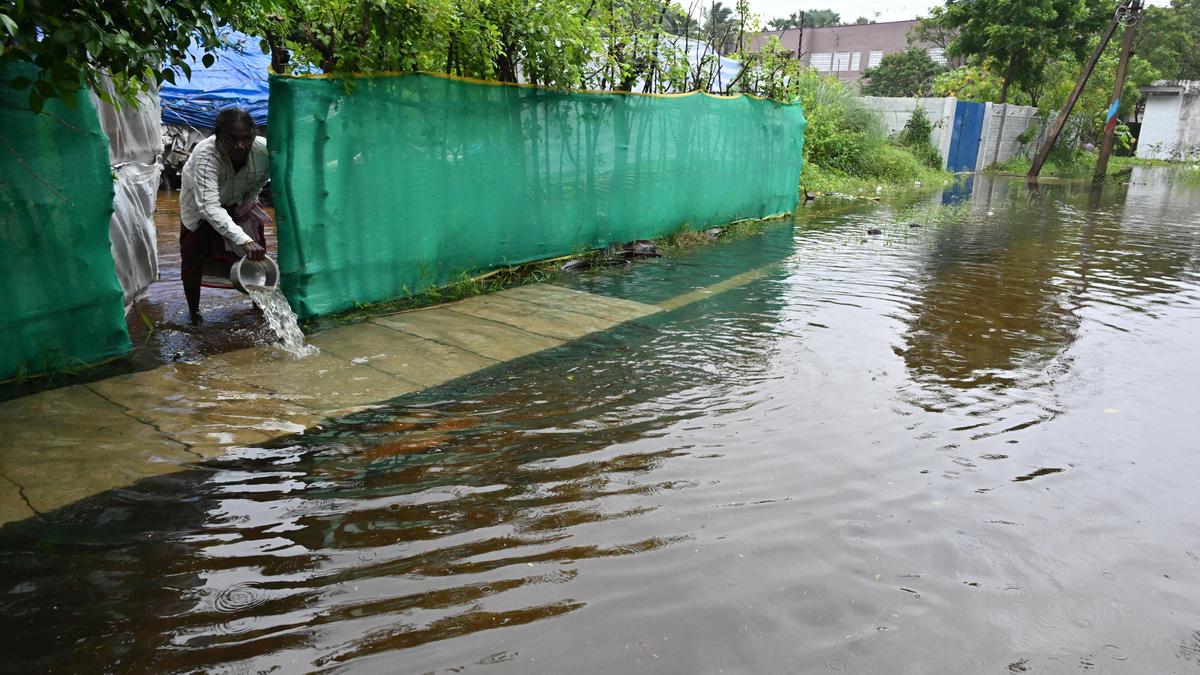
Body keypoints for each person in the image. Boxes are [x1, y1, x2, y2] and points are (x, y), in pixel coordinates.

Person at [178, 108, 271, 325]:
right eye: (232, 139)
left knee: (259, 260)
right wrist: (244, 240)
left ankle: (260, 309)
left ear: (254, 136)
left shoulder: (265, 152)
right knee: (192, 261)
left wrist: (247, 202)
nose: (240, 145)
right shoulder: (206, 154)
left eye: (246, 139)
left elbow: (261, 181)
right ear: (219, 137)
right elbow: (209, 207)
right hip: (198, 210)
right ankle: (194, 315)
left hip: (239, 204)